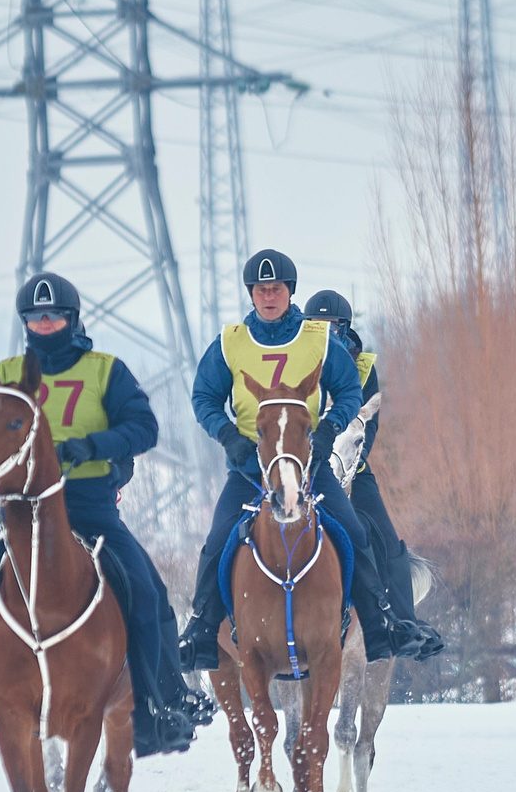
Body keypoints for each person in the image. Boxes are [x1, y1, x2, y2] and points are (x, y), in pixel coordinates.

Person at [0, 273, 201, 758]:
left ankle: (162, 704)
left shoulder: (105, 371)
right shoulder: (9, 373)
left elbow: (144, 428)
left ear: (72, 320)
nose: (45, 323)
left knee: (146, 589)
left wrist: (90, 446)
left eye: (54, 315)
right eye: (35, 317)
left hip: (90, 508)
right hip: (18, 515)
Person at [176, 249, 413, 671]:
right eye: (262, 290)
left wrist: (327, 431)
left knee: (353, 532)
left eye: (277, 289)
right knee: (216, 541)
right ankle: (199, 632)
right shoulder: (230, 343)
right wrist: (227, 434)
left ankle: (378, 626)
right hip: (250, 472)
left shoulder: (317, 339)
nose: (269, 296)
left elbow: (349, 392)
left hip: (309, 470)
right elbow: (203, 397)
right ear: (251, 294)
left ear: (290, 292)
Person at [301, 288, 445, 662]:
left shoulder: (363, 367)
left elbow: (370, 424)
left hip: (349, 467)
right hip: (298, 467)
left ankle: (403, 623)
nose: (325, 335)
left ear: (345, 329)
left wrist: (349, 459)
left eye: (332, 327)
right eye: (316, 327)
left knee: (381, 535)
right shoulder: (293, 361)